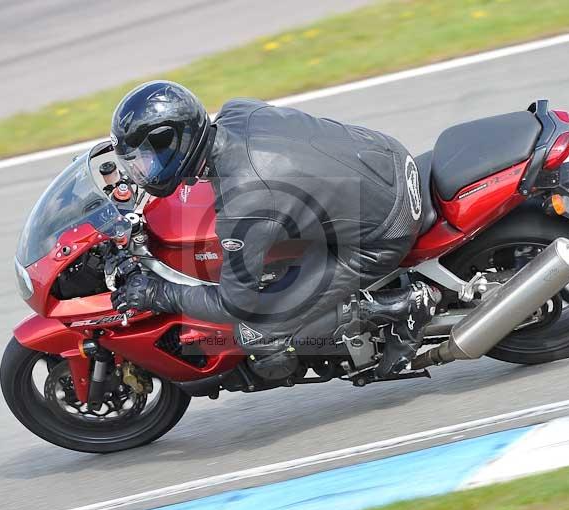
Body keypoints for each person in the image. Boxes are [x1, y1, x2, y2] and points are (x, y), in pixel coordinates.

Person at [108, 80, 440, 381]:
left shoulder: (244, 203)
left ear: (175, 147)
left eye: (144, 160)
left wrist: (157, 293)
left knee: (261, 323)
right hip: (387, 158)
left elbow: (234, 303)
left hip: (384, 230)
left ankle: (403, 305)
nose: (140, 170)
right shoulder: (237, 110)